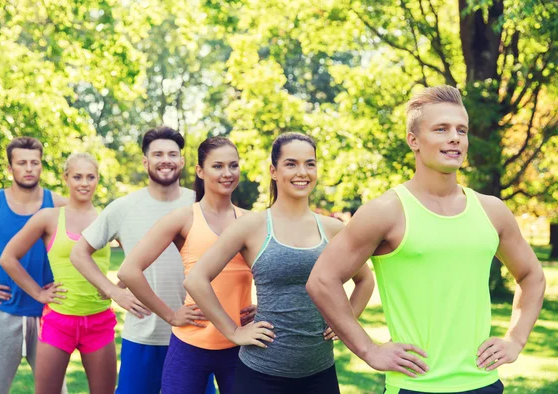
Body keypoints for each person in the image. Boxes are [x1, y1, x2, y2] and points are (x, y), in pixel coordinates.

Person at [306, 85, 546, 394]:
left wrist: (516, 338)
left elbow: (532, 276)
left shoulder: (493, 211)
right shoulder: (386, 211)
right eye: (441, 129)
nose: (455, 137)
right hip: (413, 386)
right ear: (413, 141)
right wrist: (369, 350)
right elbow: (322, 280)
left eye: (462, 130)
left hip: (484, 383)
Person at [184, 132, 375, 394]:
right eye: (291, 163)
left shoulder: (333, 229)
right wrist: (234, 332)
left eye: (310, 163)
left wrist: (346, 322)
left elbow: (365, 280)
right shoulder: (252, 226)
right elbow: (196, 279)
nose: (302, 172)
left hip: (320, 373)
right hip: (261, 374)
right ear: (274, 171)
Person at [70, 127, 216, 394]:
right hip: (143, 335)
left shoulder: (201, 203)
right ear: (145, 161)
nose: (166, 159)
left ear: (182, 162)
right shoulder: (123, 207)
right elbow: (79, 253)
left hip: (196, 331)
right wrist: (114, 291)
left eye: (173, 154)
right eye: (158, 153)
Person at [118, 137, 255, 394]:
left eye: (233, 165)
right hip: (191, 346)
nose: (227, 173)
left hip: (240, 347)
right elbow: (129, 270)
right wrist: (171, 315)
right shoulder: (183, 218)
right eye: (217, 166)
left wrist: (263, 308)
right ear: (200, 171)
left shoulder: (251, 222)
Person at [0, 137, 69, 394]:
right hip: (3, 313)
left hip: (49, 315)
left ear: (41, 166)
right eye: (21, 163)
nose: (29, 168)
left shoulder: (60, 205)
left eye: (34, 162)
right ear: (10, 168)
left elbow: (86, 248)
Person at [0, 153, 118, 393]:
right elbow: (8, 258)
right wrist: (38, 294)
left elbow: (137, 258)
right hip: (59, 321)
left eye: (90, 177)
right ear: (66, 178)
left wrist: (118, 287)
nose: (84, 183)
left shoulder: (108, 219)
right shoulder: (50, 217)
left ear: (97, 180)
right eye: (77, 177)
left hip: (99, 320)